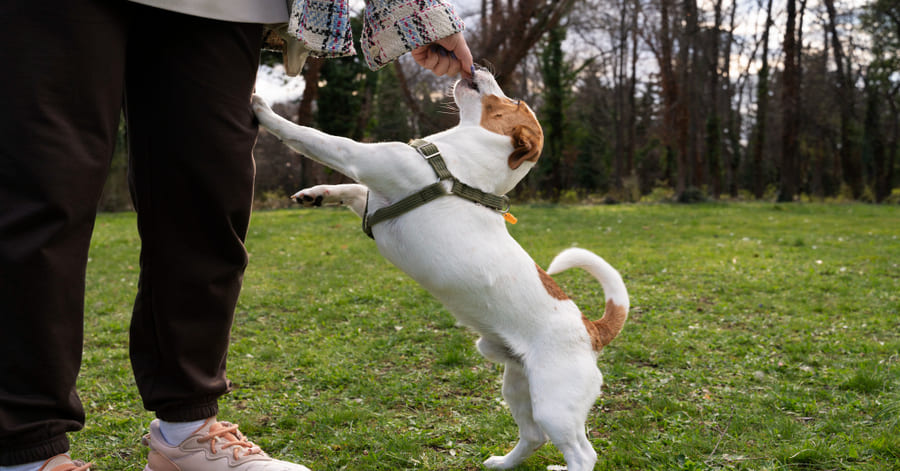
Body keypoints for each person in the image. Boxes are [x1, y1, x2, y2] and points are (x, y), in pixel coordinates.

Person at [0, 1, 474, 470]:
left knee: (207, 203)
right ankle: (26, 451)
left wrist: (417, 12)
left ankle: (186, 435)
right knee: (43, 193)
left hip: (224, 8)